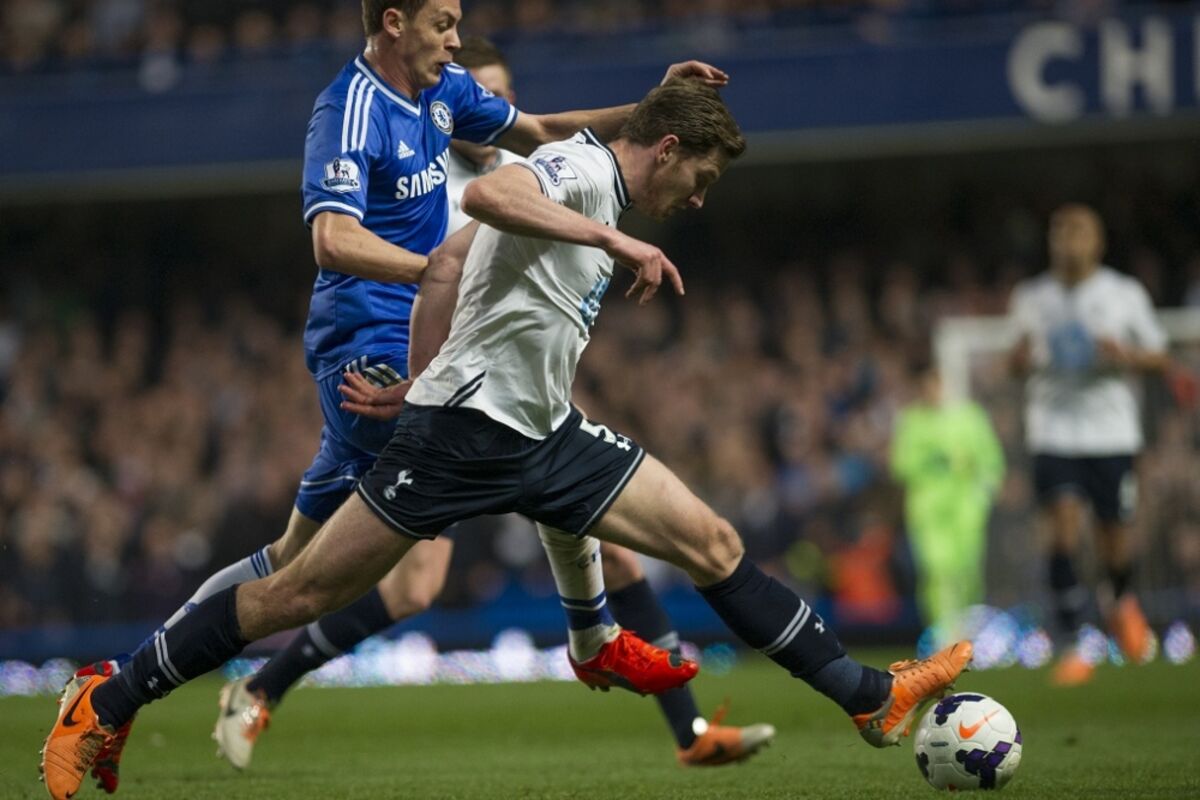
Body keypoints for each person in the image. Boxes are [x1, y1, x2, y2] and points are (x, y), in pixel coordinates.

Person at [41, 78, 973, 800]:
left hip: (543, 434)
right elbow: (489, 197)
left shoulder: (607, 177)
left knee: (713, 542)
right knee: (296, 593)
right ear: (670, 150)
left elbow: (453, 261)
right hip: (458, 437)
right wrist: (610, 246)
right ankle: (104, 701)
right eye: (702, 178)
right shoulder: (582, 176)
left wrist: (426, 365)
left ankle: (867, 697)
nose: (698, 199)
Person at [52, 1, 732, 793]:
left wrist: (652, 109)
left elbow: (544, 128)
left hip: (424, 339)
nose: (456, 40)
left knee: (300, 568)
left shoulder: (442, 93)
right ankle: (601, 645)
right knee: (527, 469)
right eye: (444, 23)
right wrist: (443, 271)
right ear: (394, 22)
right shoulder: (349, 109)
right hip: (372, 347)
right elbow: (332, 239)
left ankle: (120, 687)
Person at [211, 36, 775, 771]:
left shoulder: (527, 169)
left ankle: (688, 730)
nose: (493, 111)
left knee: (606, 550)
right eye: (479, 95)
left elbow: (563, 134)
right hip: (442, 399)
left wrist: (658, 104)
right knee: (368, 581)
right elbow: (401, 261)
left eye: (501, 96)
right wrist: (418, 375)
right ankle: (235, 681)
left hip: (511, 400)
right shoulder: (429, 184)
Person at [1007, 203, 1169, 686]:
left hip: (1110, 432)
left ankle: (1121, 604)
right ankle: (1076, 638)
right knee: (1062, 529)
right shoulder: (1031, 297)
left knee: (1113, 538)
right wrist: (1017, 360)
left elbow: (1159, 356)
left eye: (1077, 231)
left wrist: (1127, 356)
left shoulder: (1123, 293)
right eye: (1059, 231)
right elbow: (1015, 364)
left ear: (1097, 241)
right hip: (1053, 430)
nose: (1066, 240)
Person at [890, 361, 1005, 649]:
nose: (934, 391)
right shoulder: (912, 421)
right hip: (928, 510)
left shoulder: (970, 417)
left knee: (967, 570)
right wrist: (935, 459)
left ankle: (968, 632)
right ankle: (942, 634)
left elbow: (991, 461)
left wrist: (983, 494)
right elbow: (900, 465)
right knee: (936, 571)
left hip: (966, 508)